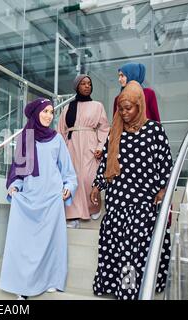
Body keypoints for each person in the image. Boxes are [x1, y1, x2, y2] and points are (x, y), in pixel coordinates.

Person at [90, 81, 172, 300]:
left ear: (140, 106)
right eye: (121, 109)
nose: (124, 113)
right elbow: (106, 163)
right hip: (117, 203)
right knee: (114, 249)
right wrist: (97, 186)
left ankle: (129, 290)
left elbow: (165, 164)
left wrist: (163, 188)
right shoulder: (115, 133)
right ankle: (112, 285)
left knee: (131, 252)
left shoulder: (154, 130)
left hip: (143, 205)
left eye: (129, 108)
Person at [0, 98, 78, 300]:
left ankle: (51, 279)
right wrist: (15, 187)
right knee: (25, 245)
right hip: (29, 200)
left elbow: (67, 171)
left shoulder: (57, 139)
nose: (49, 116)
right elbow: (18, 172)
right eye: (45, 111)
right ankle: (23, 285)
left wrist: (68, 187)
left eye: (52, 112)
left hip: (52, 199)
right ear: (36, 113)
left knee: (52, 244)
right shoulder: (26, 138)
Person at [57, 74, 110, 228]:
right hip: (71, 146)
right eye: (83, 84)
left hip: (90, 146)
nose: (87, 86)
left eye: (89, 83)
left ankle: (94, 206)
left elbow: (105, 128)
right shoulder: (67, 108)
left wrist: (100, 147)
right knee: (73, 179)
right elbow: (61, 131)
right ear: (77, 87)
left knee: (89, 178)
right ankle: (73, 216)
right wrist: (61, 151)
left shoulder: (97, 106)